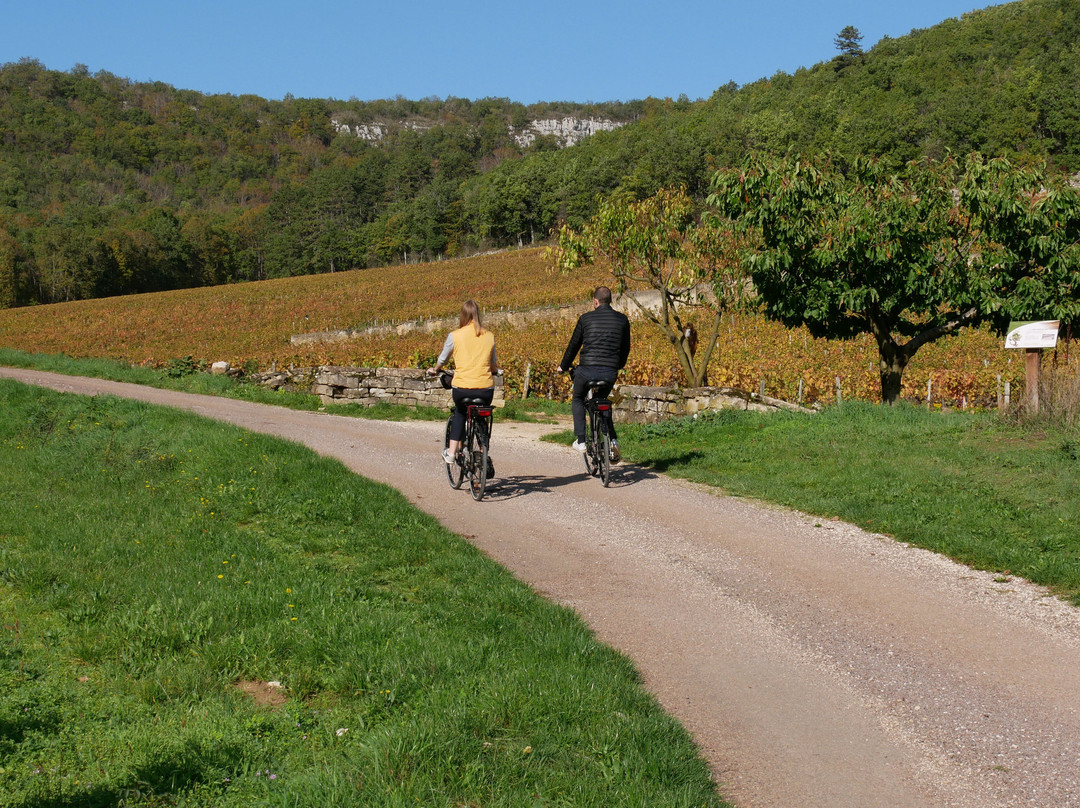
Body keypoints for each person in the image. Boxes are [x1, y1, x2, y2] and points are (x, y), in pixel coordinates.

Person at [557, 286, 631, 460]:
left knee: (577, 397)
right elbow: (625, 348)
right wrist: (617, 366)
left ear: (595, 302)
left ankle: (581, 440)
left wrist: (563, 366)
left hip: (586, 371)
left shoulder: (586, 319)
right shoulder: (622, 320)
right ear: (610, 301)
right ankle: (613, 440)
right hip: (610, 372)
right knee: (602, 401)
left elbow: (574, 345)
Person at [428, 300, 499, 467]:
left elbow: (442, 359)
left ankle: (451, 453)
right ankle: (483, 454)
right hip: (485, 389)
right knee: (482, 417)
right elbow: (493, 363)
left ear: (463, 315)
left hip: (462, 389)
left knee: (460, 413)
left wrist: (435, 369)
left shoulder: (455, 335)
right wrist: (494, 371)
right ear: (478, 315)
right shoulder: (489, 336)